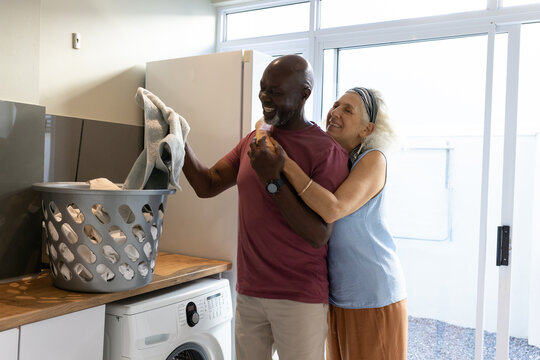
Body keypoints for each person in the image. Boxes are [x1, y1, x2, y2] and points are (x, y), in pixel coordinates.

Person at [181, 55, 349, 360]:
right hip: (249, 292)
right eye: (262, 89)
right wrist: (177, 140)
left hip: (299, 299)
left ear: (304, 95)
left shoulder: (326, 152)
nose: (264, 98)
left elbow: (318, 234)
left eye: (276, 92)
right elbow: (207, 184)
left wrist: (273, 180)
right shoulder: (254, 141)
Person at [249, 87, 407, 360]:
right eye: (336, 105)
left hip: (374, 292)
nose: (334, 112)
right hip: (339, 297)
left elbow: (333, 209)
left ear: (366, 130)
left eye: (348, 110)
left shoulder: (373, 159)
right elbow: (263, 130)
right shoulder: (336, 158)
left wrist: (283, 162)